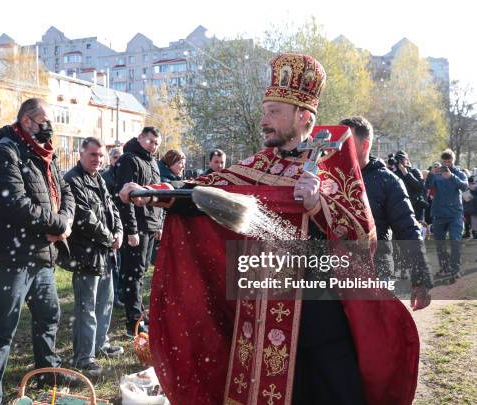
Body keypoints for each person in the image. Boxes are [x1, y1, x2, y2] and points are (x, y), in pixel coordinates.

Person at [121, 53, 423, 405]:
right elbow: (205, 192)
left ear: (303, 116)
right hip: (261, 311)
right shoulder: (257, 165)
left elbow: (362, 237)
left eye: (274, 112)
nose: (264, 120)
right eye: (264, 111)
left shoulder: (335, 169)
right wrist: (154, 194)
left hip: (320, 310)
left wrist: (317, 205)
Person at [0, 98, 75, 404]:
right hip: (12, 257)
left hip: (41, 255)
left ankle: (47, 373)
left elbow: (65, 189)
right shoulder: (7, 150)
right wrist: (57, 223)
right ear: (28, 121)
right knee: (1, 329)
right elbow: (14, 203)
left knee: (49, 315)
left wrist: (64, 220)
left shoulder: (44, 153)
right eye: (46, 120)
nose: (50, 126)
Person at [340, 117, 432, 297]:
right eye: (337, 139)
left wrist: (420, 278)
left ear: (365, 145)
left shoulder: (388, 181)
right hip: (333, 274)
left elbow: (408, 229)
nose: (339, 146)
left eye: (346, 141)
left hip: (376, 273)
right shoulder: (324, 177)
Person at [63, 137, 124, 378]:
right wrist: (110, 238)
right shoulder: (73, 180)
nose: (98, 160)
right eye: (93, 155)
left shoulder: (99, 178)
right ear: (81, 154)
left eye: (100, 155)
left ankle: (101, 345)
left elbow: (112, 208)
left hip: (106, 252)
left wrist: (119, 231)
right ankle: (83, 357)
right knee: (86, 307)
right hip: (86, 254)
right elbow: (85, 218)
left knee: (105, 302)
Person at [114, 126, 163, 337]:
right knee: (133, 274)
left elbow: (158, 193)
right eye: (150, 141)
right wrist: (131, 230)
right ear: (141, 137)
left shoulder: (152, 161)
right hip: (138, 227)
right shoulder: (129, 159)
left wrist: (159, 223)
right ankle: (133, 322)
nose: (153, 146)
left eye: (156, 144)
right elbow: (127, 199)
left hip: (151, 225)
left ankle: (140, 314)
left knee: (142, 273)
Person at [425, 149, 468, 279]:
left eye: (449, 161)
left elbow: (465, 186)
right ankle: (444, 268)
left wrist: (452, 177)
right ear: (441, 161)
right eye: (444, 161)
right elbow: (427, 186)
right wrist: (431, 174)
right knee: (440, 244)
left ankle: (455, 269)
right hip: (439, 213)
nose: (447, 164)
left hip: (455, 214)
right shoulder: (436, 173)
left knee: (455, 241)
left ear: (453, 161)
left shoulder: (458, 173)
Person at [102, 146, 123, 307]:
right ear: (110, 159)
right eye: (115, 157)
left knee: (123, 264)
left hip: (125, 225)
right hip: (110, 225)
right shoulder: (105, 177)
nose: (118, 160)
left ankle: (120, 292)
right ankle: (114, 295)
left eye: (120, 157)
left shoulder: (126, 175)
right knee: (114, 264)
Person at [391, 151, 427, 222]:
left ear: (407, 160)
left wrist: (406, 174)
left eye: (402, 159)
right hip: (400, 207)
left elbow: (420, 187)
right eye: (398, 159)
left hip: (416, 207)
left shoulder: (415, 171)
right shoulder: (393, 174)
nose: (400, 162)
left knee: (418, 230)